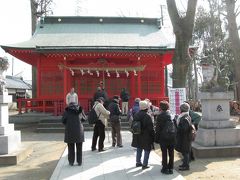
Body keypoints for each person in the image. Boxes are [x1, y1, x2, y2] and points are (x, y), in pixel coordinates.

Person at [131, 100, 155, 170]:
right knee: (147, 149)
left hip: (138, 134)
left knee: (139, 148)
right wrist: (153, 136)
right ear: (146, 107)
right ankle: (145, 164)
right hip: (146, 135)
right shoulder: (147, 116)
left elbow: (133, 125)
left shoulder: (136, 114)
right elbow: (151, 128)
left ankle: (138, 162)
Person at [155, 101, 175, 175]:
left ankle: (165, 168)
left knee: (164, 153)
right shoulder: (171, 115)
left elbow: (158, 129)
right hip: (172, 136)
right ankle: (171, 168)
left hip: (163, 137)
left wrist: (156, 139)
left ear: (161, 107)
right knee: (171, 152)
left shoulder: (160, 116)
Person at [175, 103, 192, 171]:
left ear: (182, 109)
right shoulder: (187, 115)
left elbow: (184, 129)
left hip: (185, 137)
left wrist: (177, 127)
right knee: (185, 151)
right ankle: (184, 164)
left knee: (185, 152)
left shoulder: (184, 117)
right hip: (185, 137)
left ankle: (186, 166)